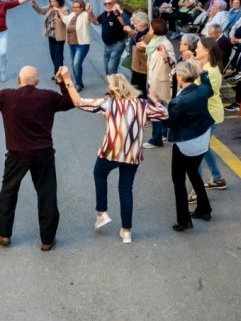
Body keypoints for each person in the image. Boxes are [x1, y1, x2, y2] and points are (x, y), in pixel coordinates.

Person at [61, 69, 167, 244]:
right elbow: (164, 114)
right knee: (126, 189)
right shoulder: (141, 104)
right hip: (132, 155)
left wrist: (67, 80)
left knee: (99, 174)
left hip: (110, 151)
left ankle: (101, 213)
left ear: (114, 90)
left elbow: (79, 102)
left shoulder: (108, 103)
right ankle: (127, 232)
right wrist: (155, 99)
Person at [0, 64, 75, 250]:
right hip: (44, 153)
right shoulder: (47, 96)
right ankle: (47, 239)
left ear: (18, 80)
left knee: (9, 191)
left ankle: (4, 234)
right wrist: (62, 83)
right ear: (36, 82)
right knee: (46, 194)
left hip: (16, 154)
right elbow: (70, 102)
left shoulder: (6, 96)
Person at [157, 60, 214, 231]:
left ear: (180, 77)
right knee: (193, 172)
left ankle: (184, 220)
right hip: (203, 139)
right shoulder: (202, 91)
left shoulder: (179, 101)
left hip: (185, 143)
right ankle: (204, 208)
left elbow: (168, 122)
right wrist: (202, 69)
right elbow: (207, 83)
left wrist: (158, 106)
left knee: (178, 180)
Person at [194, 37, 228, 193]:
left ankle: (197, 190)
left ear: (206, 51)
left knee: (197, 152)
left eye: (199, 47)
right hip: (206, 114)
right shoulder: (206, 67)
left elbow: (199, 92)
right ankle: (217, 178)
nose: (196, 49)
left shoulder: (210, 71)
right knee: (204, 148)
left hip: (207, 114)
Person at [142, 19, 177, 148]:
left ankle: (156, 139)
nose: (149, 30)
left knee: (156, 110)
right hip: (152, 79)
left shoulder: (165, 43)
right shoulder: (153, 41)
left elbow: (173, 63)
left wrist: (165, 56)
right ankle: (164, 133)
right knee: (160, 109)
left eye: (151, 28)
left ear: (156, 29)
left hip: (160, 82)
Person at [89, 0, 131, 75]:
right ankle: (112, 84)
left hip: (117, 44)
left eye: (109, 3)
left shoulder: (118, 14)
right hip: (107, 45)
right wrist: (90, 13)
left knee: (111, 68)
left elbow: (125, 24)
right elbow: (96, 22)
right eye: (105, 4)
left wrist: (117, 12)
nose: (107, 5)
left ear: (114, 4)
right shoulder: (104, 14)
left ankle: (113, 85)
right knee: (106, 68)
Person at [31, 0, 69, 80]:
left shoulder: (64, 10)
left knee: (58, 55)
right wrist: (34, 4)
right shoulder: (50, 8)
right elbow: (40, 10)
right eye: (51, 1)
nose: (52, 3)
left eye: (54, 2)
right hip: (51, 35)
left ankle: (58, 75)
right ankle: (59, 72)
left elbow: (66, 20)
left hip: (59, 37)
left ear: (59, 2)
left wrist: (59, 12)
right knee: (53, 55)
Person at [61, 0, 93, 90]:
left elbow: (93, 20)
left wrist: (90, 12)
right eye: (73, 7)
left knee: (76, 63)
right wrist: (58, 10)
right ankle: (79, 82)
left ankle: (78, 84)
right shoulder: (72, 15)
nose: (74, 9)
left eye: (77, 7)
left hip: (82, 44)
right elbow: (64, 20)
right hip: (72, 44)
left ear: (82, 8)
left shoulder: (85, 15)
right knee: (74, 64)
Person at [124, 11, 152, 97]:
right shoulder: (141, 32)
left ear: (141, 23)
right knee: (135, 88)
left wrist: (131, 31)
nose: (134, 25)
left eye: (136, 23)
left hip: (142, 67)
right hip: (136, 66)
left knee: (140, 90)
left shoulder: (148, 34)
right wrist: (130, 31)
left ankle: (141, 107)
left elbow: (139, 44)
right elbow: (137, 37)